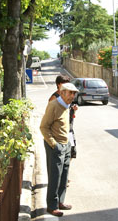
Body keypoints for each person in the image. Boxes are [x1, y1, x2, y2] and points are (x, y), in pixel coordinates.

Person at [40, 82, 79, 217]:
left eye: (74, 93)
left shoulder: (66, 105)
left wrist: (68, 144)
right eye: (70, 93)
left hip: (66, 143)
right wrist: (53, 144)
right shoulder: (54, 105)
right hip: (55, 145)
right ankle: (51, 206)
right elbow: (44, 127)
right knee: (55, 177)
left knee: (64, 175)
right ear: (62, 93)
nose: (73, 96)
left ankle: (60, 202)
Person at [49, 75, 77, 159]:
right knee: (60, 153)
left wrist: (74, 109)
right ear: (58, 85)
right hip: (59, 129)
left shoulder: (68, 95)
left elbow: (69, 109)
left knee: (71, 151)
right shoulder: (54, 98)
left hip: (69, 128)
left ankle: (66, 170)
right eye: (64, 84)